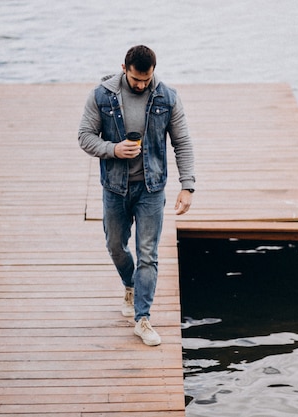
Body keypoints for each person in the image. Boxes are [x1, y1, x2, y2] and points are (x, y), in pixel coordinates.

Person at [78, 45, 195, 346]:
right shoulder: (101, 96)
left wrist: (188, 185)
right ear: (124, 68)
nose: (142, 85)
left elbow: (182, 143)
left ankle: (142, 318)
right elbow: (85, 136)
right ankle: (130, 285)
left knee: (148, 254)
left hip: (151, 188)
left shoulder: (167, 97)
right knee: (115, 245)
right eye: (136, 80)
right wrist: (113, 149)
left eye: (147, 80)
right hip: (114, 188)